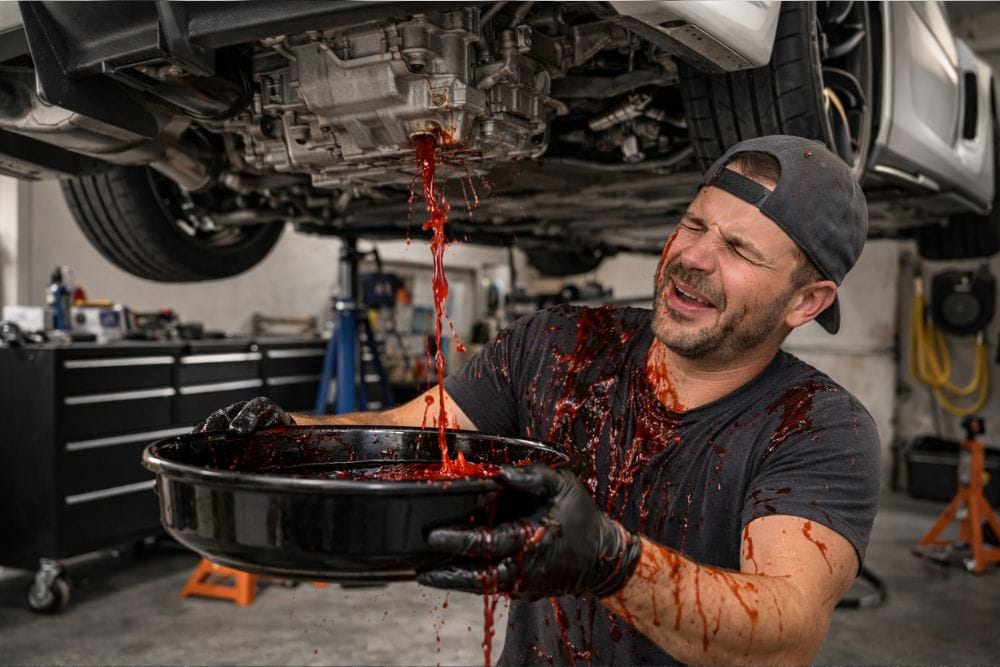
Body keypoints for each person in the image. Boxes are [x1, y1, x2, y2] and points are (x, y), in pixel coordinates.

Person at [195, 134, 880, 666]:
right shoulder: (561, 344)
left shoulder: (819, 425)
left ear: (806, 300)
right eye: (694, 224)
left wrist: (611, 560)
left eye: (738, 249)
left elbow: (785, 632)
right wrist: (293, 440)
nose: (693, 257)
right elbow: (417, 435)